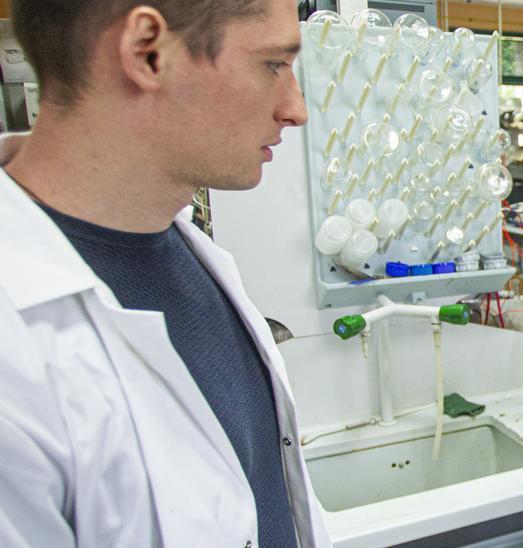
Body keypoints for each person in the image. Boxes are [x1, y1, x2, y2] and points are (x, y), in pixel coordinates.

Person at [0, 0, 327, 546]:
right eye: (273, 64)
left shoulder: (191, 257)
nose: (295, 109)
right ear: (147, 52)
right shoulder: (17, 359)